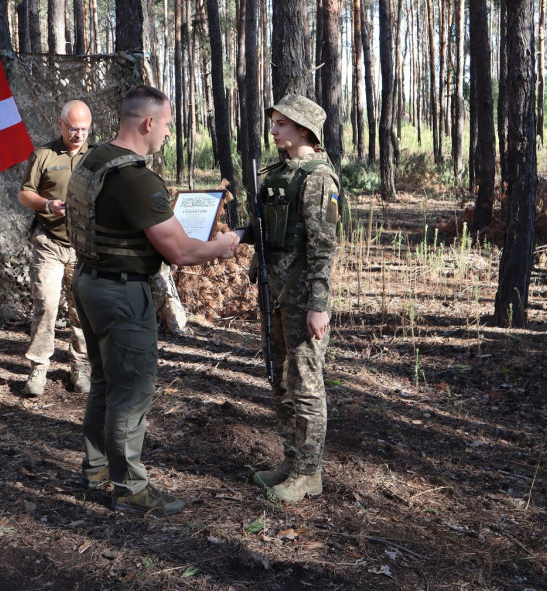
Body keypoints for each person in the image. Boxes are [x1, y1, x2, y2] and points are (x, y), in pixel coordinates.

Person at [66, 85, 238, 516]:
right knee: (132, 390)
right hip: (121, 293)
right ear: (147, 123)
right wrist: (224, 244)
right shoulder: (136, 178)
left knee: (105, 381)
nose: (166, 133)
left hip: (89, 280)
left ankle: (97, 469)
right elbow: (179, 252)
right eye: (164, 124)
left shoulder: (96, 157)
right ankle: (130, 488)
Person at [244, 94, 341, 504]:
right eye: (274, 122)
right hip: (277, 293)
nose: (274, 129)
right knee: (280, 378)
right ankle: (292, 458)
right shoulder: (279, 173)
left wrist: (319, 304)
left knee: (306, 384)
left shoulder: (319, 178)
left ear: (304, 130)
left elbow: (323, 247)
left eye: (282, 123)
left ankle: (309, 473)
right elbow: (262, 229)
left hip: (303, 299)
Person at [17, 100, 93, 396]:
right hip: (48, 242)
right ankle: (38, 368)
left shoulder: (97, 157)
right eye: (73, 128)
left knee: (82, 310)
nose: (79, 135)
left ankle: (80, 365)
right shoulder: (43, 155)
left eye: (84, 129)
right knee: (46, 306)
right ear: (60, 124)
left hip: (84, 247)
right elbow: (25, 193)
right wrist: (47, 204)